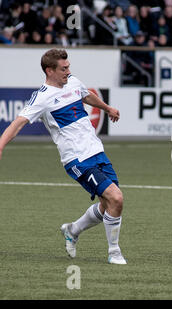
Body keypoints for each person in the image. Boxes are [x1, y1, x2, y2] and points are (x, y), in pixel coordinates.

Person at [0, 49, 127, 265]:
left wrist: (107, 108)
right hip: (76, 159)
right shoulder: (42, 97)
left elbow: (86, 95)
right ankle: (114, 252)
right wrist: (1, 145)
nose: (68, 71)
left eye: (68, 67)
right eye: (63, 68)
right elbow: (18, 122)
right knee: (116, 197)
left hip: (96, 151)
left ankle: (72, 229)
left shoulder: (73, 82)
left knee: (109, 205)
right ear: (50, 71)